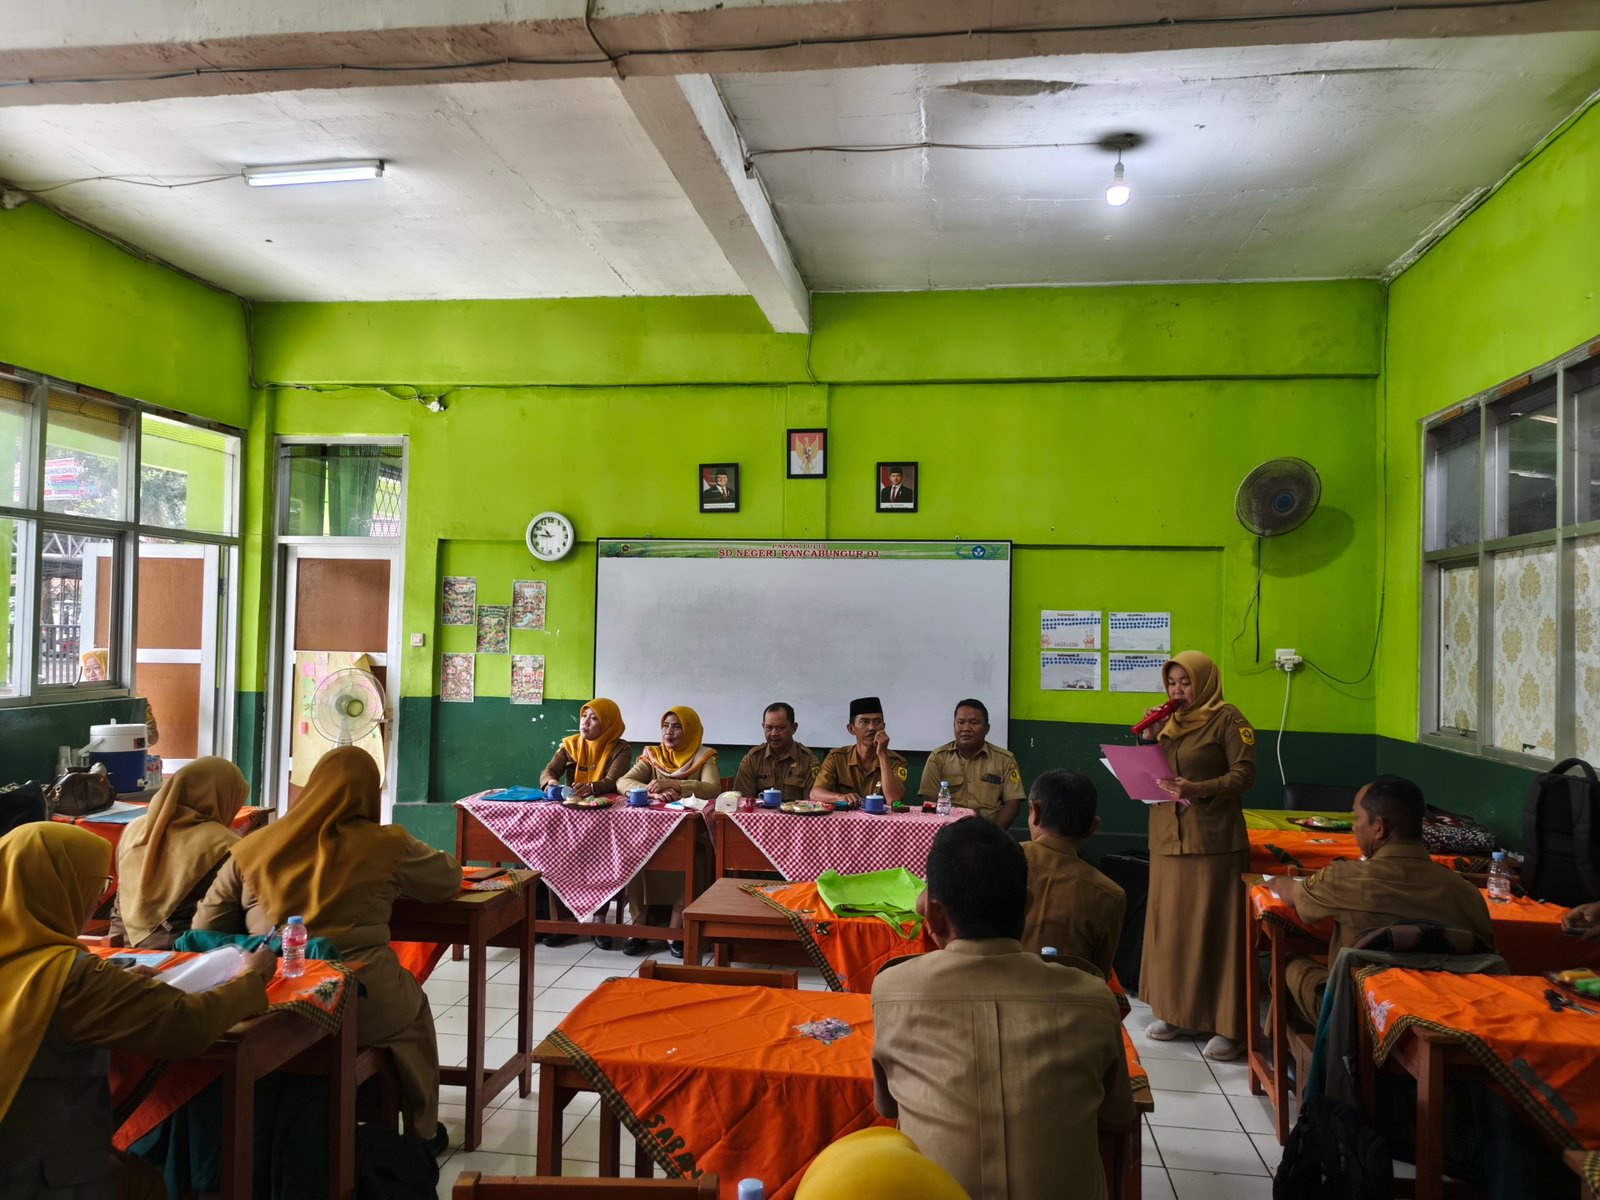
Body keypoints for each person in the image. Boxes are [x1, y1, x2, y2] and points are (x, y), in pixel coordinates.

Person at [194, 747, 462, 1149]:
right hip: (356, 996)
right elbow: (447, 879)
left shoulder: (252, 846)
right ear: (369, 794)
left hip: (271, 1001)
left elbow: (205, 929)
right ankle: (422, 1132)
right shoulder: (386, 844)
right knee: (412, 1008)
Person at [0, 822, 274, 1199]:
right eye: (94, 887)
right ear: (60, 889)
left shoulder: (34, 961)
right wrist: (252, 981)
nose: (95, 901)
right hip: (41, 1174)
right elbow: (185, 1024)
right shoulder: (71, 977)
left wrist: (116, 978)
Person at [871, 818, 1132, 1200]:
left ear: (934, 915)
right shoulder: (1092, 996)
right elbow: (1118, 1112)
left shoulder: (893, 988)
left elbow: (886, 1106)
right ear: (1027, 905)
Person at [1275, 775, 1496, 1022]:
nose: (1354, 826)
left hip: (1361, 1018)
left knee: (1285, 961)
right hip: (1448, 1017)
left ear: (1379, 827)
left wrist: (1277, 882)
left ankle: (1316, 1055)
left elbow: (1292, 896)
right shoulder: (1466, 893)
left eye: (1357, 817)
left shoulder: (1344, 879)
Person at [1134, 649, 1255, 1061]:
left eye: (1186, 682)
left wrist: (1199, 789)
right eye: (1172, 683)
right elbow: (1157, 772)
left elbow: (1245, 774)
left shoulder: (1228, 718)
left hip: (1212, 842)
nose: (1178, 690)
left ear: (1204, 682)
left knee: (1215, 930)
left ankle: (1227, 1025)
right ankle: (1178, 1013)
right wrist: (1148, 741)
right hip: (1168, 839)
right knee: (1173, 931)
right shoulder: (1168, 722)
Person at [112, 757, 249, 950]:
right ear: (222, 797)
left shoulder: (134, 829)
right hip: (180, 953)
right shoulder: (224, 843)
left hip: (117, 946)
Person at [616, 707, 720, 957]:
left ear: (691, 730)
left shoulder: (703, 756)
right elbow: (623, 782)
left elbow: (712, 787)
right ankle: (639, 928)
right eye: (666, 726)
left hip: (689, 834)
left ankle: (676, 930)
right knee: (636, 857)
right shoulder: (652, 755)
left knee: (691, 856)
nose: (669, 732)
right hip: (649, 835)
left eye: (677, 726)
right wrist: (651, 791)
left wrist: (676, 784)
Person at [538, 698, 630, 949]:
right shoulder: (570, 745)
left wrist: (591, 787)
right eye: (583, 716)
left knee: (601, 859)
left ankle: (598, 921)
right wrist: (551, 783)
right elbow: (548, 771)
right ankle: (564, 922)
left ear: (608, 723)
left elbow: (614, 780)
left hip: (604, 816)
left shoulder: (620, 748)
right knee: (556, 855)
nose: (585, 723)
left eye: (594, 718)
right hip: (572, 814)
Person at [1020, 768, 1126, 979]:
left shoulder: (996, 861)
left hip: (997, 999)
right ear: (1092, 827)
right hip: (1070, 1005)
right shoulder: (1110, 894)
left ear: (1035, 812)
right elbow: (1100, 974)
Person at [917, 699, 1025, 825]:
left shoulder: (1004, 759)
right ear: (954, 726)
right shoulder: (938, 758)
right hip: (948, 830)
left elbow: (1012, 802)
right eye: (960, 722)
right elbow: (930, 798)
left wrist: (992, 834)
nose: (966, 728)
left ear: (987, 729)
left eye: (974, 723)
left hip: (989, 830)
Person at [811, 697, 908, 807]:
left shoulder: (897, 761)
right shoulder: (837, 758)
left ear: (884, 727)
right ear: (851, 729)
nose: (872, 728)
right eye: (864, 722)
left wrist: (882, 754)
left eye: (878, 722)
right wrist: (840, 797)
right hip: (845, 822)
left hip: (881, 822)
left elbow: (893, 800)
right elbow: (815, 793)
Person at [732, 702, 820, 802]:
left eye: (780, 728)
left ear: (793, 728)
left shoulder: (808, 760)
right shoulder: (752, 759)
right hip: (761, 817)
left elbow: (812, 805)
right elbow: (743, 802)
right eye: (769, 728)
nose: (774, 734)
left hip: (796, 816)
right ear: (763, 727)